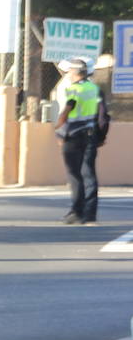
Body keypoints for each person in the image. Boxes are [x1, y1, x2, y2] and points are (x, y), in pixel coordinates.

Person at [54, 57, 104, 225]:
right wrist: (101, 136)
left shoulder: (74, 89)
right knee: (88, 174)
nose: (68, 75)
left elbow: (66, 112)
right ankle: (90, 215)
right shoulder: (94, 89)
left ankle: (76, 211)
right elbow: (103, 115)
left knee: (74, 175)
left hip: (73, 136)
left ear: (74, 72)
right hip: (90, 135)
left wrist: (58, 130)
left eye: (69, 72)